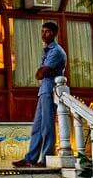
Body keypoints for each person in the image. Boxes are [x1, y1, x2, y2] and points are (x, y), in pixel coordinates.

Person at [17, 21, 67, 168]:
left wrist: (43, 71)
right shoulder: (47, 50)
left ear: (54, 33)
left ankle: (46, 159)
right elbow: (41, 73)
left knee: (47, 126)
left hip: (50, 90)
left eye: (47, 32)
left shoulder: (56, 51)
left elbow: (40, 74)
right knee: (37, 127)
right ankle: (30, 159)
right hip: (43, 91)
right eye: (42, 31)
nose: (43, 34)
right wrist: (43, 71)